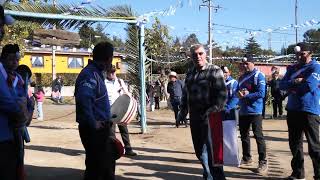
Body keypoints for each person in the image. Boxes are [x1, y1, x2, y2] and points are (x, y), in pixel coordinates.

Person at [177, 44, 227, 179]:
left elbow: (222, 96)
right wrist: (182, 112)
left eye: (200, 53)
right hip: (195, 118)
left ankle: (218, 177)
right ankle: (207, 175)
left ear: (205, 54)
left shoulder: (214, 71)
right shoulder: (190, 74)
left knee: (212, 153)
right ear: (191, 57)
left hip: (211, 118)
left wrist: (212, 111)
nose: (197, 56)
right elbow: (185, 94)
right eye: (194, 54)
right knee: (200, 151)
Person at [75, 41, 115, 180]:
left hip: (99, 129)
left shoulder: (96, 73)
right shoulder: (90, 74)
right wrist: (93, 122)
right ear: (109, 58)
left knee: (102, 167)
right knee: (97, 169)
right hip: (94, 130)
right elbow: (83, 98)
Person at [279, 42, 320, 180]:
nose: (299, 56)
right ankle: (298, 173)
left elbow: (309, 86)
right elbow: (281, 85)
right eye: (297, 54)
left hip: (309, 110)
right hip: (292, 109)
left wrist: (292, 86)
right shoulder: (292, 68)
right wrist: (296, 82)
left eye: (302, 54)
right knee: (295, 144)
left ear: (310, 53)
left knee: (314, 147)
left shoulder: (316, 67)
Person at [0, 44, 33, 180]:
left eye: (17, 59)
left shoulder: (19, 79)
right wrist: (20, 110)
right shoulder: (2, 77)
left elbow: (28, 101)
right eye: (11, 59)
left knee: (17, 161)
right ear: (3, 59)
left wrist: (27, 109)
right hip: (5, 130)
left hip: (17, 131)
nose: (14, 62)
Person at [237, 55, 268, 173]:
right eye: (243, 64)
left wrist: (247, 95)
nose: (245, 66)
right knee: (244, 135)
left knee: (258, 135)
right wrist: (238, 95)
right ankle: (246, 158)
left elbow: (261, 93)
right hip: (243, 111)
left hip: (255, 110)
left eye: (247, 63)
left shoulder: (258, 75)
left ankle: (262, 161)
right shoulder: (241, 78)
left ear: (253, 63)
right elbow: (237, 93)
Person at [105, 65, 137, 156]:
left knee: (124, 130)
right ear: (106, 72)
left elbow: (127, 94)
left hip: (121, 109)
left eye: (113, 72)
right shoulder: (103, 82)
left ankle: (128, 149)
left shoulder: (120, 81)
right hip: (109, 110)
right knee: (111, 132)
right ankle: (114, 151)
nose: (112, 74)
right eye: (110, 72)